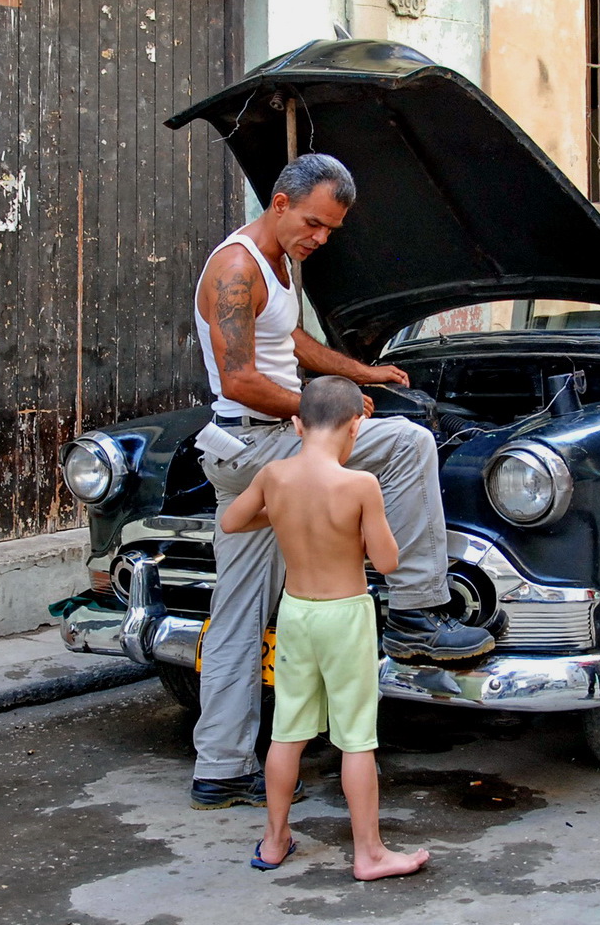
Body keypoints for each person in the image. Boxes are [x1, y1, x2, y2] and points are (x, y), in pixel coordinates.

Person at [189, 153, 495, 811]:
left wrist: (359, 373)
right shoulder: (237, 267)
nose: (320, 238)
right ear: (278, 202)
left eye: (330, 229)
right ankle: (415, 612)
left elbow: (290, 339)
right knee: (410, 443)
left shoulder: (279, 263)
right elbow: (241, 377)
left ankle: (219, 769)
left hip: (257, 444)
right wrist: (319, 409)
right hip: (257, 443)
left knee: (238, 615)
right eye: (313, 223)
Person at [220, 375, 431, 880]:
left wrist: (281, 517)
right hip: (345, 615)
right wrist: (361, 528)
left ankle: (274, 841)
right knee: (356, 737)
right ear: (357, 424)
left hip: (296, 612)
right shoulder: (360, 484)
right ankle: (370, 854)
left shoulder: (274, 475)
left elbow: (231, 522)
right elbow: (388, 559)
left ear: (296, 424)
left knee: (287, 731)